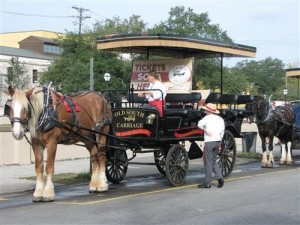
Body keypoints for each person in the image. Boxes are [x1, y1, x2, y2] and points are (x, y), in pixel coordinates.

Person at [197, 103, 225, 188]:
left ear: (208, 111)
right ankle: (220, 178)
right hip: (218, 141)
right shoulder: (220, 119)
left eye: (206, 110)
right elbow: (222, 131)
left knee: (208, 162)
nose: (205, 111)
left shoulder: (207, 118)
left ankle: (207, 182)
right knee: (213, 161)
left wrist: (205, 130)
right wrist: (220, 139)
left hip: (209, 141)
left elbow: (199, 125)